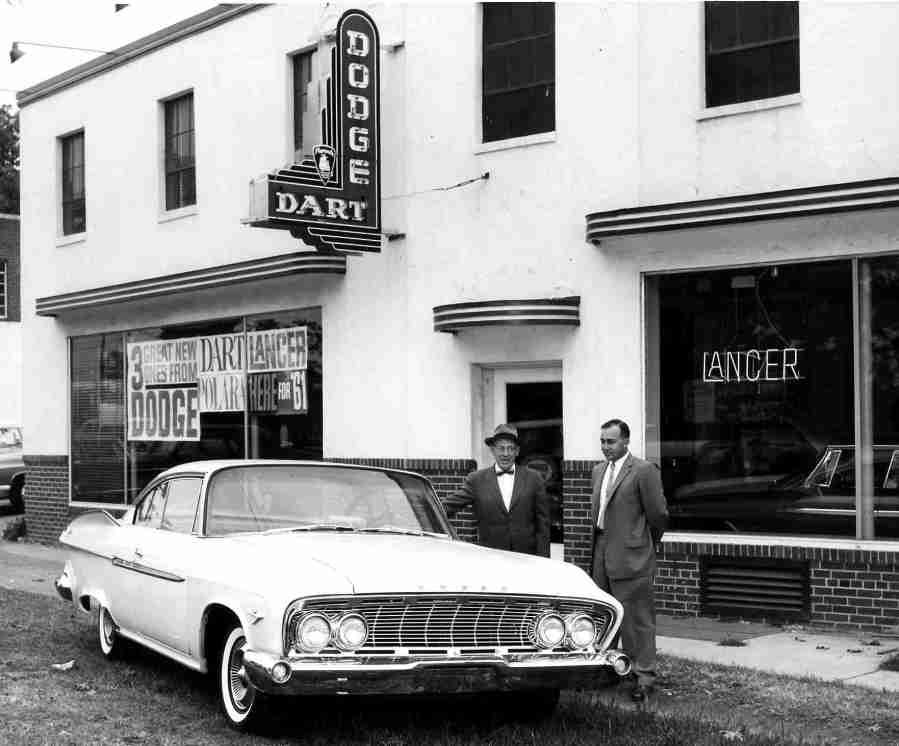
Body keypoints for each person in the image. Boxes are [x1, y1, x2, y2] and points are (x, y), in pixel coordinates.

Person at [591, 418, 668, 702]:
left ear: (626, 441)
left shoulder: (644, 471)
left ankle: (644, 675)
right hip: (601, 550)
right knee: (604, 615)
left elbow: (658, 515)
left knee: (637, 618)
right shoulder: (598, 471)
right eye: (602, 441)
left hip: (633, 555)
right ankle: (611, 669)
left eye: (610, 441)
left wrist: (644, 544)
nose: (605, 447)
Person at [442, 424, 550, 557]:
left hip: (526, 558)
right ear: (493, 450)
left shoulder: (534, 478)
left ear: (517, 451)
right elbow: (447, 506)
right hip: (490, 558)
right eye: (501, 448)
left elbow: (543, 525)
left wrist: (543, 560)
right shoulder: (476, 480)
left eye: (510, 449)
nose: (506, 454)